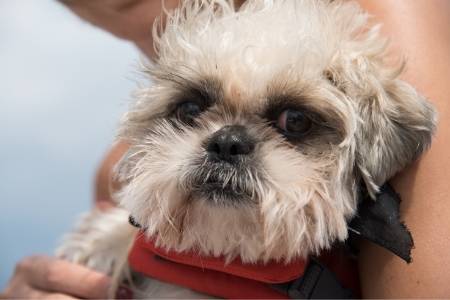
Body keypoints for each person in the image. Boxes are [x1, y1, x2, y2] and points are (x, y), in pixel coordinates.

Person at [2, 0, 449, 298]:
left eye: (294, 123)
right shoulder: (118, 173)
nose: (227, 143)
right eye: (189, 111)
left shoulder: (385, 20)